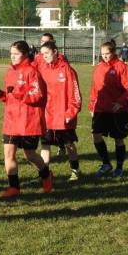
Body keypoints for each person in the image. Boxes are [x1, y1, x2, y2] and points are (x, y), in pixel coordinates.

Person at [0, 41, 52, 198]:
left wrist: (20, 94)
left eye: (16, 54)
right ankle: (14, 187)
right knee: (8, 154)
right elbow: (11, 96)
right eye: (11, 54)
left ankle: (46, 175)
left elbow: (38, 96)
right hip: (11, 120)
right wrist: (3, 97)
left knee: (30, 155)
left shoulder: (32, 72)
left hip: (28, 121)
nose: (12, 57)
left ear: (25, 54)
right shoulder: (10, 72)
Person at [90, 41, 128, 179]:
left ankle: (119, 167)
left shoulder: (122, 67)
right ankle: (106, 163)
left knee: (118, 140)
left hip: (117, 111)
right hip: (100, 109)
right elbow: (95, 89)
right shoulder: (98, 67)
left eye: (107, 53)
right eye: (102, 54)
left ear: (113, 52)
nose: (105, 56)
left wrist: (120, 102)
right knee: (96, 136)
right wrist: (92, 106)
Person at [37, 41, 83, 181]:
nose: (44, 56)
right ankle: (45, 174)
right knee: (45, 145)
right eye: (42, 54)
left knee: (69, 144)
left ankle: (75, 170)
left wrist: (71, 112)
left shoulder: (67, 70)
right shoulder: (41, 68)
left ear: (55, 51)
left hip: (63, 116)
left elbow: (76, 94)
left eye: (47, 53)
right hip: (46, 115)